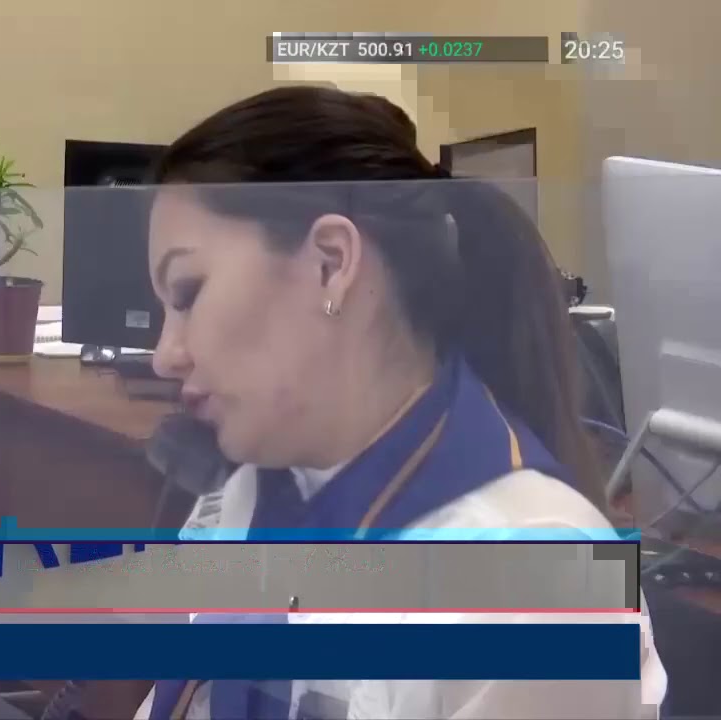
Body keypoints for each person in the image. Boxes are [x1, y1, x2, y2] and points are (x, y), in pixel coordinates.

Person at [137, 86, 665, 719]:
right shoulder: (254, 494)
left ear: (330, 263)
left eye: (187, 293)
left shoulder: (541, 580)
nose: (165, 355)